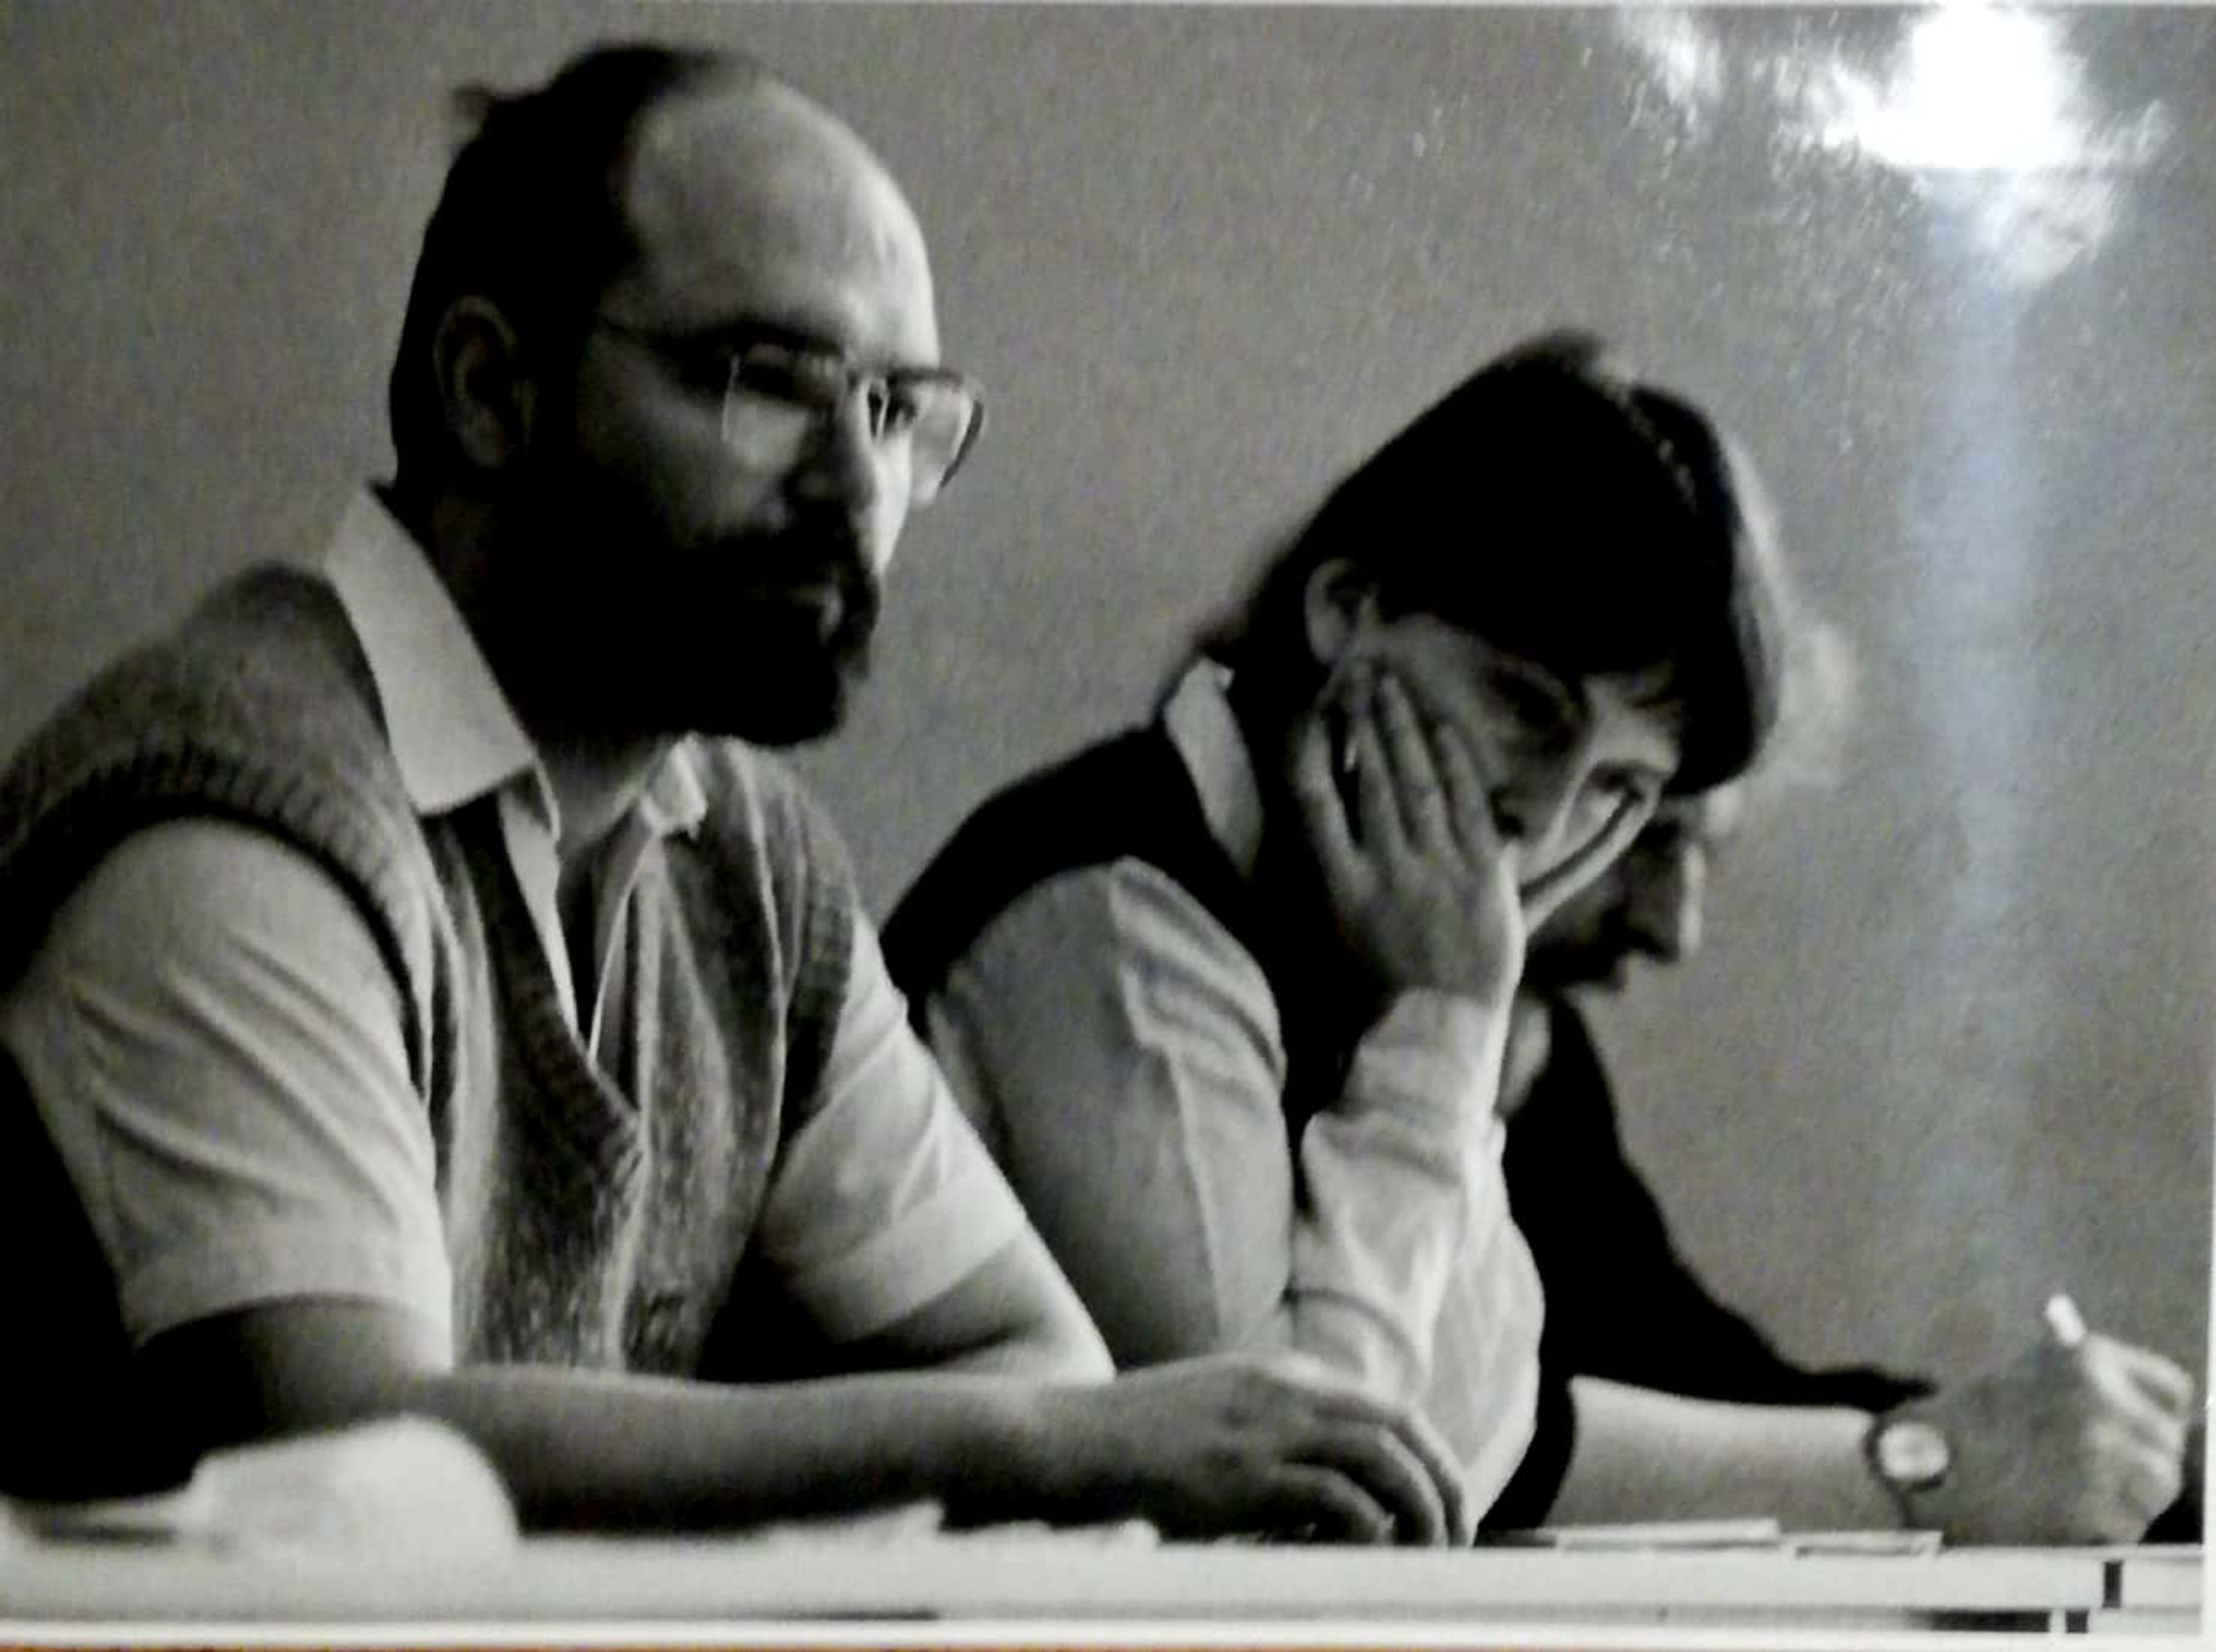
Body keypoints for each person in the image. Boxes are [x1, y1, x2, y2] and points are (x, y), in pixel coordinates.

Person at [0, 41, 1471, 1545]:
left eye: (897, 412)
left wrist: (1036, 1437)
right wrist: (1032, 1448)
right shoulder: (228, 812)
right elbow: (348, 1452)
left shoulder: (751, 858)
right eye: (768, 383)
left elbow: (1032, 1359)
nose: (857, 488)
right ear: (490, 387)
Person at [884, 333, 1788, 1525]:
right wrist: (1440, 1035)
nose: (1548, 814)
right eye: (1527, 710)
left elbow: (1470, 1452)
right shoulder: (1113, 911)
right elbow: (1299, 1514)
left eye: (1622, 788)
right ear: (1347, 608)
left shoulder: (1372, 955)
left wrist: (1444, 1028)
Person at [1481, 786, 2200, 1541]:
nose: (1674, 930)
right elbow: (1474, 1445)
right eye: (1645, 834)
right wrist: (1938, 1463)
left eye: (1705, 851)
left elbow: (1696, 1379)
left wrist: (2118, 1459)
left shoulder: (1545, 1063)